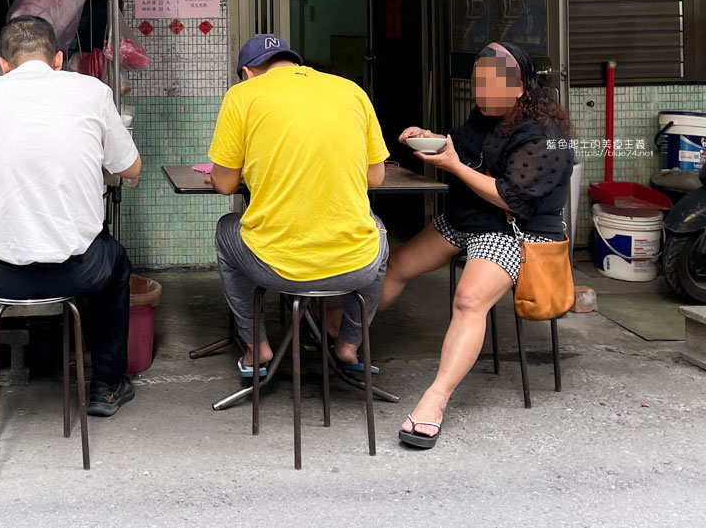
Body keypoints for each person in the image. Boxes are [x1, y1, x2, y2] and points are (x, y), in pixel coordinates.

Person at [0, 16, 142, 422]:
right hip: (80, 275)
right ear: (59, 60)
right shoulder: (92, 91)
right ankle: (105, 386)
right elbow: (131, 169)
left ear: (1, 65)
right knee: (116, 262)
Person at [382, 41, 573, 449]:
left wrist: (451, 164)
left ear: (520, 87)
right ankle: (339, 341)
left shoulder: (542, 135)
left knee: (469, 299)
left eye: (491, 84)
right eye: (478, 83)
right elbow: (464, 152)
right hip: (468, 218)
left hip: (513, 229)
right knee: (395, 264)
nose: (481, 91)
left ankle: (435, 400)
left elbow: (511, 198)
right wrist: (429, 140)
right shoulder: (485, 116)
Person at [206, 34, 390, 377]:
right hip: (353, 267)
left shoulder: (243, 95)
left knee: (225, 230)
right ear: (295, 63)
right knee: (376, 230)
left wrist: (224, 174)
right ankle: (349, 345)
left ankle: (255, 346)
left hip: (274, 264)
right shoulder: (350, 90)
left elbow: (227, 183)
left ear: (247, 73)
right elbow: (375, 177)